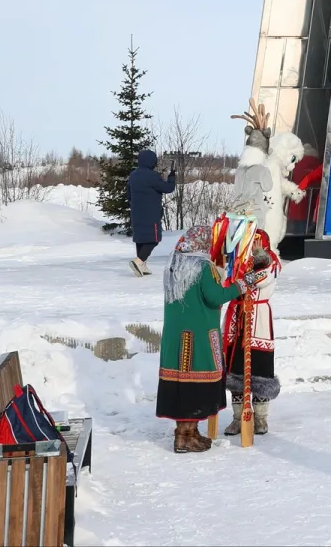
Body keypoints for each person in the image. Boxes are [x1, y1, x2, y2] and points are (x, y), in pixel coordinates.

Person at [156, 227, 269, 453]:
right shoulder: (202, 267)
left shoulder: (174, 266)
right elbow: (215, 296)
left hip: (175, 337)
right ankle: (186, 436)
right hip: (198, 334)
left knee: (181, 383)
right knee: (196, 384)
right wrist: (244, 283)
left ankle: (186, 433)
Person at [217, 220, 284, 435]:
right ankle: (238, 417)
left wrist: (251, 263)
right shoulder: (236, 264)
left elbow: (260, 279)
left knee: (261, 369)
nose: (252, 246)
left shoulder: (272, 262)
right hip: (237, 318)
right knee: (235, 369)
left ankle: (261, 417)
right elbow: (226, 282)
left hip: (259, 320)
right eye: (249, 243)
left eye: (256, 242)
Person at [128, 149, 177, 275]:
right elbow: (168, 188)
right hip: (150, 214)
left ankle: (142, 265)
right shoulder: (152, 176)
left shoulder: (133, 175)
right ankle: (139, 261)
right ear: (152, 162)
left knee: (141, 238)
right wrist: (172, 177)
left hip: (136, 213)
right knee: (154, 239)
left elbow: (128, 194)